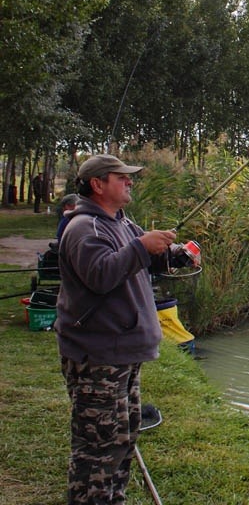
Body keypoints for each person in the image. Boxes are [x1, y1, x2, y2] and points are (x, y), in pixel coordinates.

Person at [55, 154, 177, 505]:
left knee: (122, 439)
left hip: (122, 353)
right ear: (97, 185)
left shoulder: (121, 222)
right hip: (98, 356)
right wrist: (141, 246)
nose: (130, 182)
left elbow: (145, 257)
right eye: (121, 177)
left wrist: (173, 253)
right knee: (97, 447)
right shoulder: (84, 228)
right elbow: (102, 275)